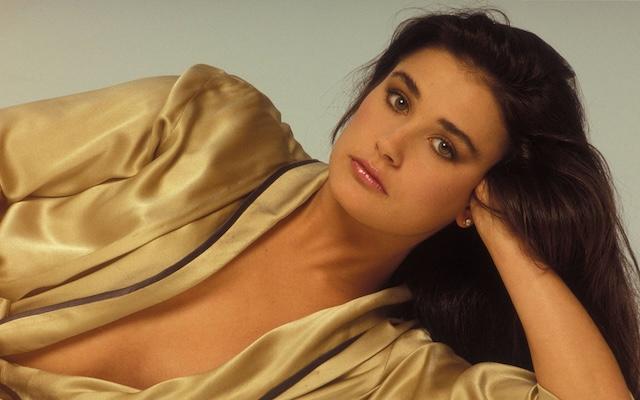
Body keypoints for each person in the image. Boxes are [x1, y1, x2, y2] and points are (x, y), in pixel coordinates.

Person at [0, 7, 637, 400]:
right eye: (398, 99)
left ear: (476, 198)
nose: (391, 145)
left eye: (445, 147)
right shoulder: (210, 125)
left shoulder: (389, 375)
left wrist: (514, 235)